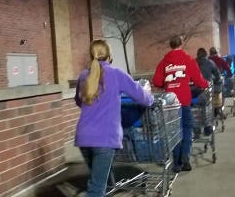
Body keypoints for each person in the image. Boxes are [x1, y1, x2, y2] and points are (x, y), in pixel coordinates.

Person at [75, 39, 154, 197]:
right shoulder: (116, 74)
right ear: (110, 55)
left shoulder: (84, 75)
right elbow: (142, 97)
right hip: (105, 139)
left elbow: (79, 101)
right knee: (96, 189)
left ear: (91, 55)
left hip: (84, 137)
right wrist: (152, 99)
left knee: (97, 182)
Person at [152, 36, 208, 173]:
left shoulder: (164, 62)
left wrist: (166, 83)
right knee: (187, 128)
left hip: (170, 102)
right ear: (181, 44)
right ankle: (185, 158)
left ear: (170, 45)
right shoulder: (188, 60)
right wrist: (205, 84)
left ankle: (176, 163)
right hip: (184, 99)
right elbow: (198, 79)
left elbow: (157, 81)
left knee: (173, 131)